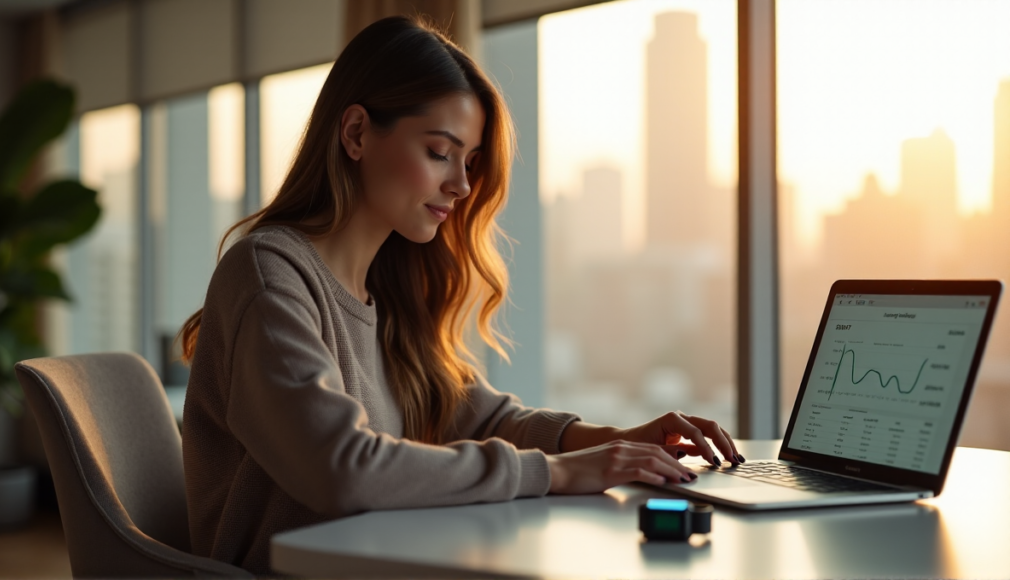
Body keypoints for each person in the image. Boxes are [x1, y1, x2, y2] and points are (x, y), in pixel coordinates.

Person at [178, 15, 742, 574]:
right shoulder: (268, 275)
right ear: (355, 134)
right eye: (439, 152)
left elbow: (477, 415)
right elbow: (341, 470)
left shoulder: (385, 288)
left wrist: (612, 440)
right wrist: (560, 472)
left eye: (469, 161)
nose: (463, 185)